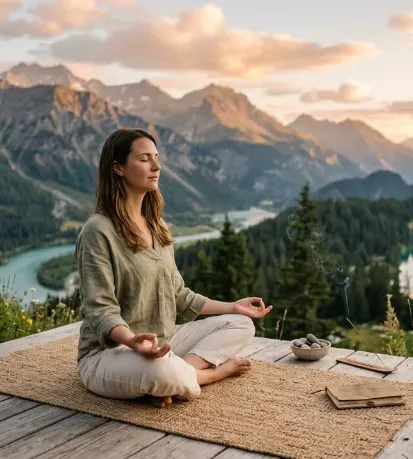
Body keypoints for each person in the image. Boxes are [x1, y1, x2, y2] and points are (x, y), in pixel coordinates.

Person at [75, 127, 273, 408]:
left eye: (156, 158)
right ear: (118, 168)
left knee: (241, 325)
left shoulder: (157, 226)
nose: (156, 166)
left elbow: (179, 295)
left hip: (165, 342)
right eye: (144, 159)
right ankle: (209, 375)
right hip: (110, 354)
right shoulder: (98, 231)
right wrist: (132, 341)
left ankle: (177, 377)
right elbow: (100, 311)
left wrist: (233, 306)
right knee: (162, 371)